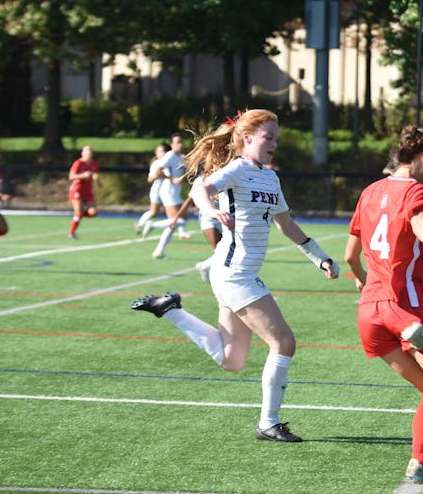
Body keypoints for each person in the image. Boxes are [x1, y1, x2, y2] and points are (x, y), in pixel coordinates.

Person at [131, 109, 340, 443]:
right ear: (247, 138)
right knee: (284, 342)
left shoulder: (270, 177)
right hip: (234, 274)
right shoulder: (238, 169)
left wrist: (319, 257)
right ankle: (269, 423)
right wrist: (211, 210)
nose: (273, 143)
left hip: (234, 274)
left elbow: (285, 223)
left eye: (276, 138)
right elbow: (201, 186)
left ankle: (171, 310)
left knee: (232, 360)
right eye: (267, 137)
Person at [344, 119, 423, 484]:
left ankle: (422, 463)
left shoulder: (369, 191)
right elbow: (418, 223)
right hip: (408, 306)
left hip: (369, 313)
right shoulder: (416, 190)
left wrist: (365, 283)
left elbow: (351, 256)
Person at [144, 133, 190, 256]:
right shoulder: (169, 156)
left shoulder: (181, 156)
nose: (180, 144)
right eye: (177, 142)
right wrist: (171, 179)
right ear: (172, 144)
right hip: (168, 191)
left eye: (181, 142)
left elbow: (186, 169)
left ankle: (159, 250)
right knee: (180, 221)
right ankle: (153, 225)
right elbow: (158, 171)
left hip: (176, 192)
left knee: (175, 222)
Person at [134, 142, 169, 235]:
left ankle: (181, 232)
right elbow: (150, 179)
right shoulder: (156, 164)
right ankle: (139, 224)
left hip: (168, 191)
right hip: (157, 191)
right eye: (159, 151)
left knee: (173, 212)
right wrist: (158, 175)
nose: (161, 153)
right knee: (153, 212)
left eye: (162, 151)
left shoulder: (169, 162)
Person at [67, 145, 99, 239]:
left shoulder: (95, 164)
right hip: (77, 190)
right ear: (82, 153)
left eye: (90, 152)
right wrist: (82, 175)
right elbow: (71, 176)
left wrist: (98, 180)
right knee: (78, 212)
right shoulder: (78, 163)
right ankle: (71, 233)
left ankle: (78, 216)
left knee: (93, 212)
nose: (88, 154)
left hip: (88, 191)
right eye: (86, 152)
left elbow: (95, 175)